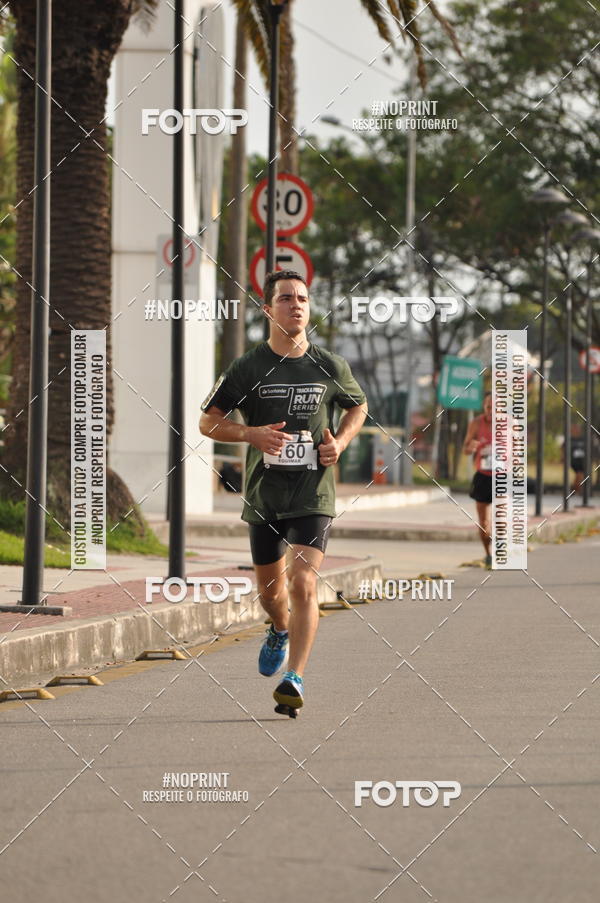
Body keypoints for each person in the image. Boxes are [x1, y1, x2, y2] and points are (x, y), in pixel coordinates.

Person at [199, 270, 368, 717]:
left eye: (303, 299)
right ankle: (278, 628)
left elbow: (358, 406)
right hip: (264, 497)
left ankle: (295, 677)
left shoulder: (329, 365)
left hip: (313, 494)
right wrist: (250, 434)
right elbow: (207, 421)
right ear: (267, 309)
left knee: (303, 581)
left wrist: (340, 442)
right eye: (286, 298)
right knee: (272, 595)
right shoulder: (247, 367)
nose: (296, 305)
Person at [462, 392, 493, 568]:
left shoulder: (511, 424)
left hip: (503, 476)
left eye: (495, 407)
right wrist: (471, 447)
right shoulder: (476, 423)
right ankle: (488, 554)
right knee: (484, 523)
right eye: (488, 406)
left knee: (502, 520)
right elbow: (465, 450)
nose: (491, 410)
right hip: (482, 476)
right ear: (484, 407)